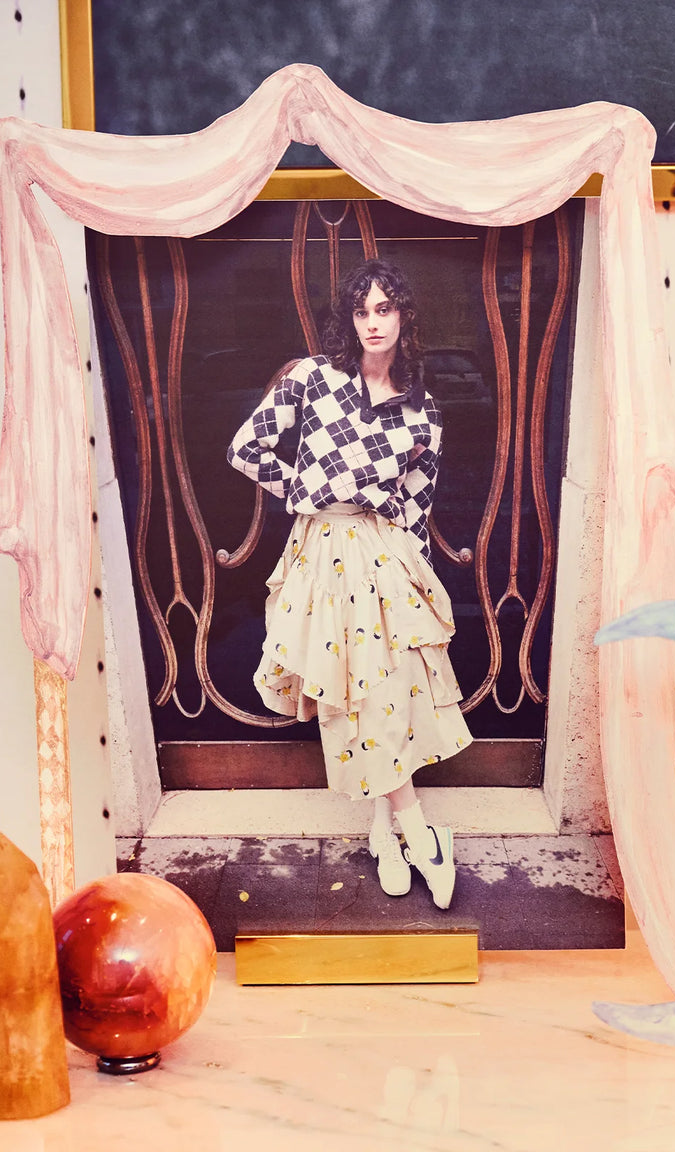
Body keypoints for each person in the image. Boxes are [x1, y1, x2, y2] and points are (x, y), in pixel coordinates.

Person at [227, 259, 471, 909]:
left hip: (382, 551)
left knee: (386, 687)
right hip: (323, 551)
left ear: (404, 315)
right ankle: (419, 833)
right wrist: (305, 489)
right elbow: (245, 450)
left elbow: (415, 506)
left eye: (384, 309)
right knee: (355, 690)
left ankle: (385, 833)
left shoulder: (423, 412)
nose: (373, 323)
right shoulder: (313, 379)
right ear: (350, 318)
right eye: (362, 311)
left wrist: (416, 582)